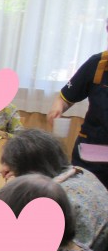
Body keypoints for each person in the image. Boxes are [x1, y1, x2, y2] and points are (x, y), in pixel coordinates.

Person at [0, 128, 108, 251]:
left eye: (13, 167)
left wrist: (15, 190)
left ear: (30, 169)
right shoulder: (78, 171)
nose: (4, 171)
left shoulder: (56, 198)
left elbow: (33, 249)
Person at [47, 51, 108, 189]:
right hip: (92, 153)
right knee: (80, 193)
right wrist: (58, 107)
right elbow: (65, 97)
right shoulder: (97, 63)